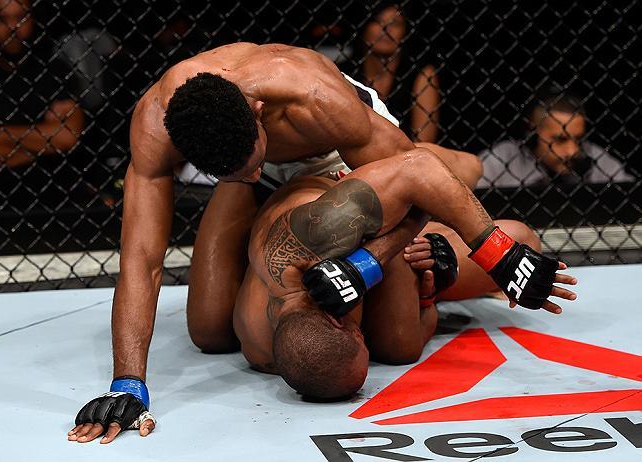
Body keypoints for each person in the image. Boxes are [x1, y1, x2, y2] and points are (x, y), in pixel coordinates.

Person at [68, 42, 545, 443]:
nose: (255, 171)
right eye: (232, 170)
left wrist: (371, 262)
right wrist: (126, 383)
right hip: (262, 181)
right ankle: (252, 186)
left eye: (252, 161)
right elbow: (142, 258)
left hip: (337, 154)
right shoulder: (158, 127)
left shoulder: (314, 96)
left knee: (438, 189)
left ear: (259, 113)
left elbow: (420, 180)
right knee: (210, 331)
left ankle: (466, 165)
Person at [233, 172, 553, 398]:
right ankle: (438, 255)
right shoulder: (268, 351)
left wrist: (500, 257)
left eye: (362, 343)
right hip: (365, 244)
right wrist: (430, 290)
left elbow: (417, 185)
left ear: (336, 320)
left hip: (338, 180)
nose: (368, 346)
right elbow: (409, 338)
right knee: (401, 345)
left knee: (470, 168)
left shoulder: (308, 249)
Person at [0, 0, 83, 171]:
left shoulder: (54, 70)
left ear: (34, 18)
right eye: (0, 18)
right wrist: (41, 147)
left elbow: (67, 136)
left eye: (21, 17)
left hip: (51, 189)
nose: (12, 26)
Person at [478, 87, 633, 188]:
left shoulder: (594, 156)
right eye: (560, 139)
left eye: (578, 139)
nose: (573, 151)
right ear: (532, 132)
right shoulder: (503, 158)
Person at [356, 2, 441, 142]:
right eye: (378, 21)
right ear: (365, 27)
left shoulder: (421, 75)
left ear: (405, 32)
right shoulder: (345, 73)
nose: (386, 29)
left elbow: (424, 143)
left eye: (395, 24)